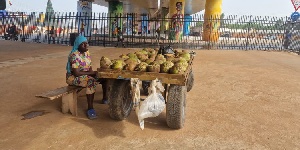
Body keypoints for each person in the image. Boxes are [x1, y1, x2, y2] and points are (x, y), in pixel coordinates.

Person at [66, 35, 108, 120]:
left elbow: (89, 68)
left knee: (104, 77)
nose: (86, 45)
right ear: (78, 45)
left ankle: (105, 98)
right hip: (73, 77)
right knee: (91, 82)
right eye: (83, 44)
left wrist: (94, 74)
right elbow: (76, 73)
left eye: (86, 43)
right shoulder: (74, 55)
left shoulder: (87, 53)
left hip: (85, 75)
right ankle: (90, 109)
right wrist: (92, 74)